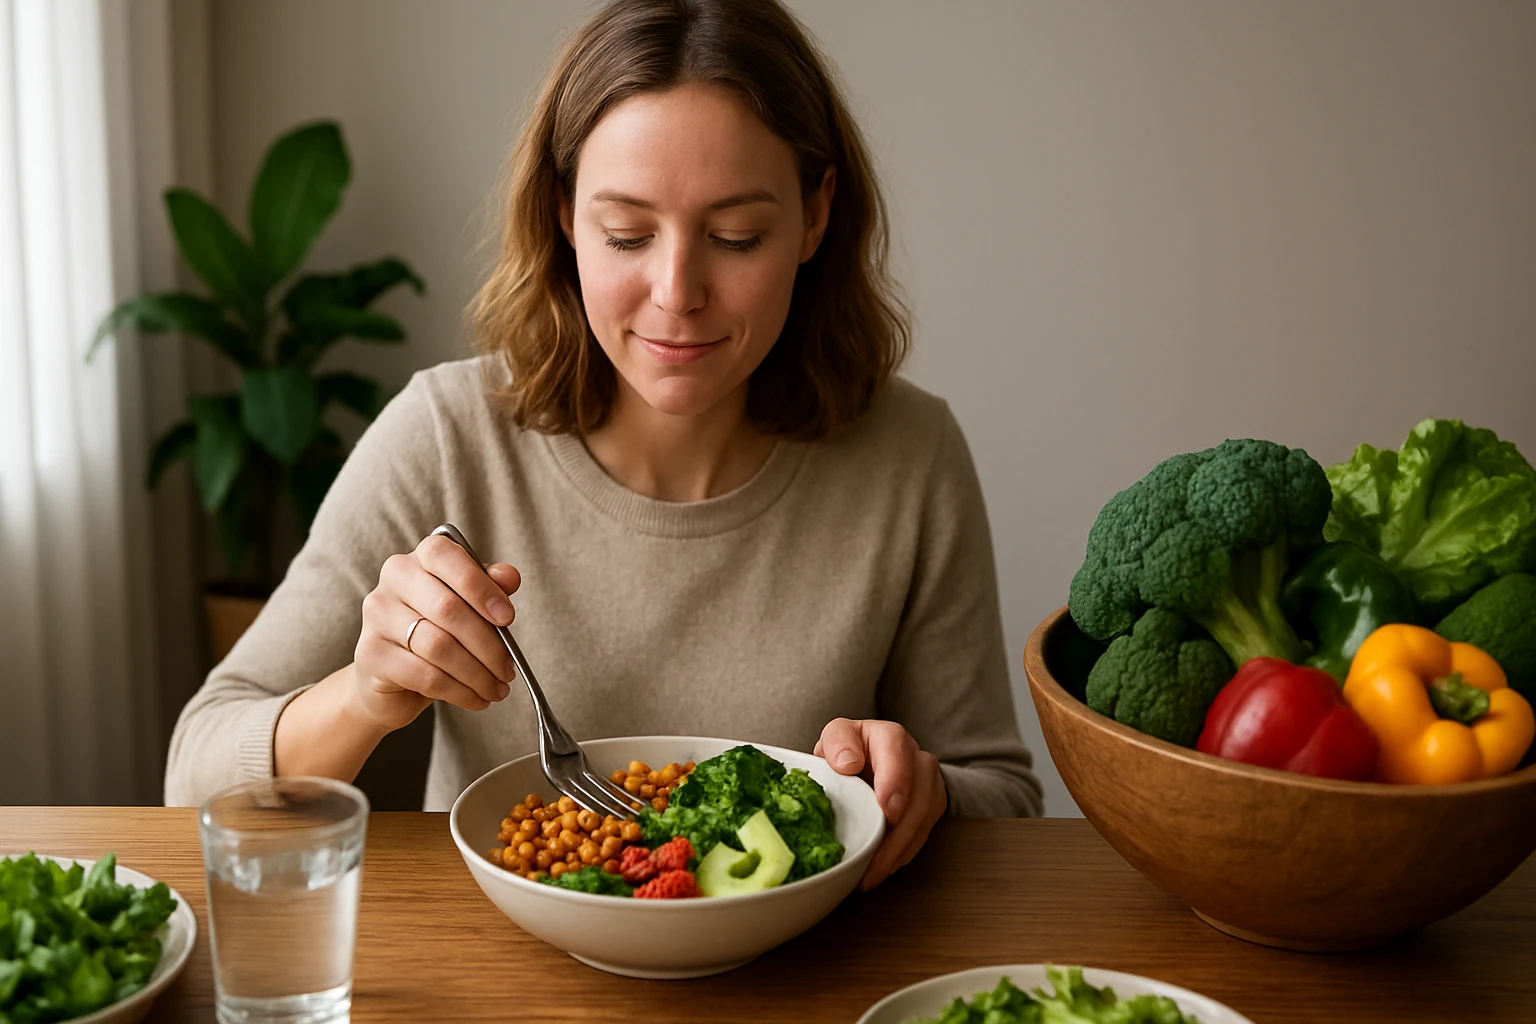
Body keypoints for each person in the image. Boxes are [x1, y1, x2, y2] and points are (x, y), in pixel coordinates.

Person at [165, 0, 1042, 889]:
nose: (676, 292)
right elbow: (193, 771)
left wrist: (919, 786)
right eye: (626, 234)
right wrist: (366, 695)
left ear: (816, 216)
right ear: (563, 216)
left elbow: (1003, 793)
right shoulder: (447, 433)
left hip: (815, 962)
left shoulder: (911, 455)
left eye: (736, 237)